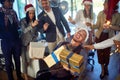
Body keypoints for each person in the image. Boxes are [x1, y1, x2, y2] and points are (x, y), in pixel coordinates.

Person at [85, 0, 120, 79]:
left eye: (105, 3)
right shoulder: (101, 13)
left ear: (110, 4)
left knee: (107, 54)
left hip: (110, 37)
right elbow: (97, 25)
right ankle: (102, 70)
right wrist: (91, 25)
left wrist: (110, 26)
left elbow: (119, 28)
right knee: (100, 54)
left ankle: (106, 67)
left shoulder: (117, 15)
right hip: (100, 36)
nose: (103, 4)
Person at [0, 0, 23, 80]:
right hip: (6, 42)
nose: (11, 3)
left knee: (17, 61)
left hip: (16, 41)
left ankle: (19, 77)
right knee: (8, 62)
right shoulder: (0, 13)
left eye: (12, 1)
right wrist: (3, 36)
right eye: (8, 1)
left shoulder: (14, 12)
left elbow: (17, 26)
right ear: (3, 2)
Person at [19, 4, 39, 80]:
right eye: (30, 13)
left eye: (33, 13)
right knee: (24, 60)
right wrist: (32, 26)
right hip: (23, 43)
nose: (32, 15)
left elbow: (36, 34)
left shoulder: (35, 21)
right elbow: (24, 30)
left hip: (31, 44)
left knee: (29, 59)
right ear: (27, 13)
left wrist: (32, 43)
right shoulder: (23, 20)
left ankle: (25, 71)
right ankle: (25, 75)